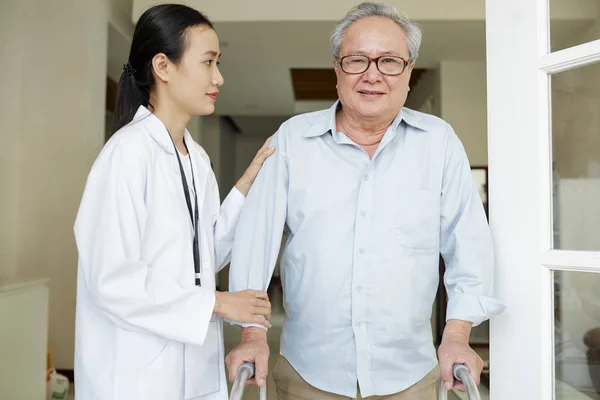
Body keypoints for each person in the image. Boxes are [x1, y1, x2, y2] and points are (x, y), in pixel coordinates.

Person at [225, 2, 505, 400]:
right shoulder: (291, 139)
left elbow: (469, 245)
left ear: (409, 71)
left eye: (389, 61)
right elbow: (256, 242)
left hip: (408, 373)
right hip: (310, 372)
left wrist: (457, 334)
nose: (373, 75)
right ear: (337, 69)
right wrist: (252, 333)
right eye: (357, 60)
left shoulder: (439, 143)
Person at [73, 4, 274, 400]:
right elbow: (111, 279)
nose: (219, 77)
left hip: (192, 369)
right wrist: (216, 302)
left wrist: (249, 180)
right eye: (208, 62)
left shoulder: (194, 158)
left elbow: (204, 254)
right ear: (163, 66)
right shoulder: (127, 154)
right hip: (136, 376)